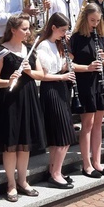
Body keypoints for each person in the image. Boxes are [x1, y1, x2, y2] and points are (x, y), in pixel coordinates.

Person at [0, 14, 47, 201]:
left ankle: (23, 181)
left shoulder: (29, 49)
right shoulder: (1, 51)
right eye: (24, 29)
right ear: (13, 30)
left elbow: (40, 74)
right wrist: (9, 81)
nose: (28, 32)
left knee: (25, 143)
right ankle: (11, 184)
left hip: (29, 97)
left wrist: (29, 72)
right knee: (11, 144)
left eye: (28, 28)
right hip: (11, 99)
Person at [70, 3, 104, 178]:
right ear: (85, 19)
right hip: (85, 82)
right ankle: (86, 164)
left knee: (97, 125)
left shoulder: (101, 37)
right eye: (91, 20)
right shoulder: (76, 38)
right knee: (87, 125)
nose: (94, 24)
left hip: (99, 83)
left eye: (97, 20)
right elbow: (69, 64)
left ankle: (97, 162)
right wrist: (87, 67)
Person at [35, 13, 78, 188]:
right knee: (63, 136)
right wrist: (63, 76)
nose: (64, 33)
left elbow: (61, 67)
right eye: (62, 30)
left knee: (59, 136)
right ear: (53, 27)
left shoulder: (60, 45)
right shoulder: (44, 46)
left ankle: (54, 169)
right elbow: (44, 75)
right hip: (51, 90)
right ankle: (55, 173)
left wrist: (67, 67)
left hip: (61, 88)